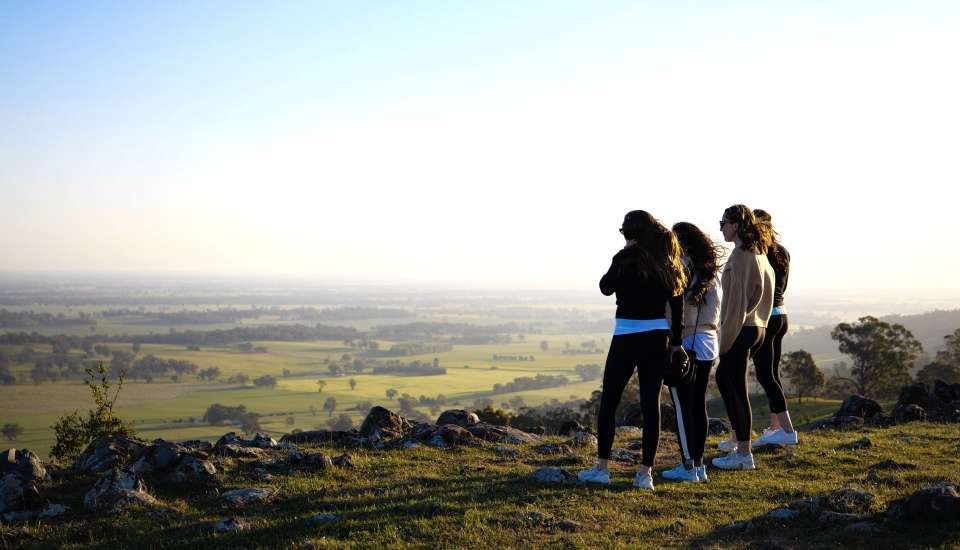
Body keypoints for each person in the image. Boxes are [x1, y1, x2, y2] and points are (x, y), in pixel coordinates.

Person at [578, 210, 686, 490]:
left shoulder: (625, 258)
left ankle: (602, 468)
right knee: (651, 406)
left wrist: (625, 253)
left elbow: (605, 287)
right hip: (657, 338)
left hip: (625, 336)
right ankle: (644, 474)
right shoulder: (666, 260)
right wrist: (676, 343)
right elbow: (677, 308)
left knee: (609, 402)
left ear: (629, 233)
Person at [711, 205, 775, 471]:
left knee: (736, 388)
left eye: (723, 223)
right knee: (726, 380)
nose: (721, 228)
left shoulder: (739, 255)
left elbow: (736, 304)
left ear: (735, 225)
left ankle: (744, 453)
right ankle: (738, 442)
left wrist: (724, 342)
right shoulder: (759, 253)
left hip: (741, 327)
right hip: (758, 327)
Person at [661, 222, 723, 483]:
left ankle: (688, 466)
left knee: (682, 406)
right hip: (710, 341)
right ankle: (699, 465)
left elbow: (672, 309)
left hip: (687, 342)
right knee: (698, 405)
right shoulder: (712, 271)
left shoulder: (681, 268)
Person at [750, 209, 798, 446]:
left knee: (764, 374)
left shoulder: (757, 252)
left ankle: (787, 430)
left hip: (766, 318)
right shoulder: (782, 251)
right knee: (772, 373)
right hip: (781, 315)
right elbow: (783, 286)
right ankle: (775, 426)